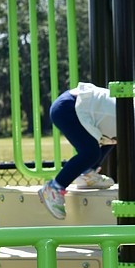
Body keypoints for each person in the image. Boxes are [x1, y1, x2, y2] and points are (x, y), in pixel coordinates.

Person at [38, 82, 117, 219]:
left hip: (72, 105)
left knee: (111, 139)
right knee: (90, 152)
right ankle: (54, 188)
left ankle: (87, 174)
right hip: (68, 108)